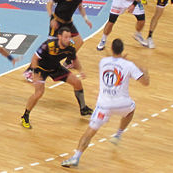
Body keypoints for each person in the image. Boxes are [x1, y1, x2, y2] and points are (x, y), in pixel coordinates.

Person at [61, 39, 150, 168]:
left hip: (104, 105)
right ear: (122, 49)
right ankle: (118, 134)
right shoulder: (129, 65)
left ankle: (76, 157)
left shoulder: (103, 62)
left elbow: (111, 61)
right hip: (121, 104)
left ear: (112, 49)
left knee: (89, 132)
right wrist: (144, 71)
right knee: (131, 110)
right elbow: (145, 83)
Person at [24, 0, 92, 82]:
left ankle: (68, 62)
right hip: (57, 23)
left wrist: (86, 19)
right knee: (47, 48)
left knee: (79, 42)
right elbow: (49, 4)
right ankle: (29, 70)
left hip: (69, 23)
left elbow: (80, 6)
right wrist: (51, 18)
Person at [21, 27, 93, 129]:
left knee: (77, 83)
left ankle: (83, 108)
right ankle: (25, 116)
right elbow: (35, 58)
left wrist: (80, 70)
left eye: (69, 37)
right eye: (66, 37)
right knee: (39, 93)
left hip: (55, 67)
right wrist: (35, 75)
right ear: (59, 37)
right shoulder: (48, 45)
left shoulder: (70, 47)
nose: (68, 39)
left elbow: (74, 59)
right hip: (41, 69)